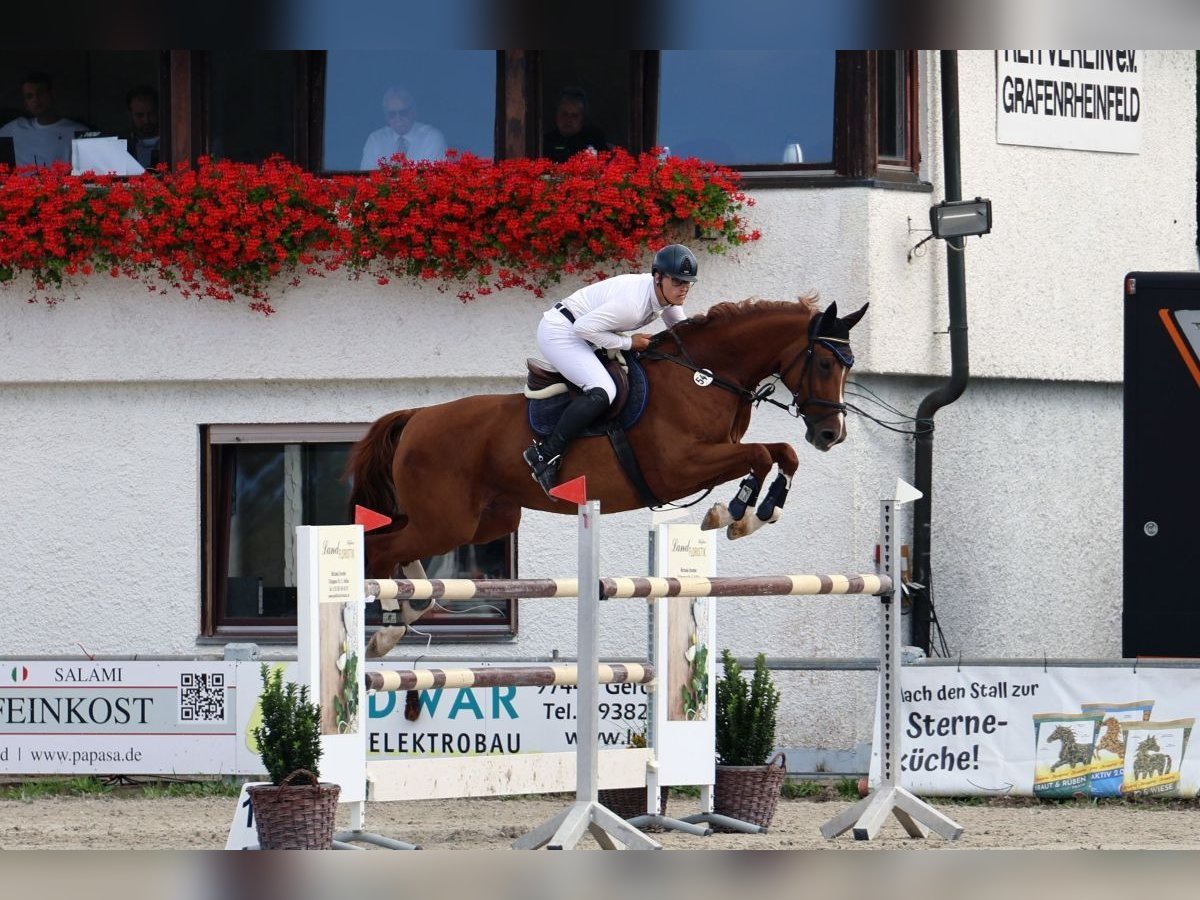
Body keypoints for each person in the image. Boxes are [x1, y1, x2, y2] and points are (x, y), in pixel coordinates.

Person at [523, 243, 699, 496]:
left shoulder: (666, 298)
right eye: (677, 281)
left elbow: (683, 332)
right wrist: (629, 342)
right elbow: (582, 328)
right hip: (561, 331)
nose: (683, 289)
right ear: (658, 277)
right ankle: (544, 454)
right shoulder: (633, 305)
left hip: (582, 331)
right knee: (604, 389)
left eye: (688, 283)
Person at [0, 72, 85, 168]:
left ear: (52, 94)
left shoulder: (77, 131)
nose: (36, 99)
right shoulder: (16, 127)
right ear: (25, 104)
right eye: (29, 96)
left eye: (40, 93)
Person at [359, 86, 447, 169]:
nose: (398, 119)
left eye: (403, 113)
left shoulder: (431, 138)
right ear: (386, 116)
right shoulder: (375, 141)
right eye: (392, 114)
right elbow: (366, 179)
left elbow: (433, 179)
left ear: (413, 111)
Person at [542, 86, 608, 163]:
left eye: (574, 115)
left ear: (582, 118)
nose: (568, 120)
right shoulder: (546, 141)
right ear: (556, 115)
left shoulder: (594, 140)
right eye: (564, 114)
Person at [125, 85, 161, 169]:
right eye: (140, 115)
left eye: (151, 114)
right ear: (130, 115)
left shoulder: (174, 142)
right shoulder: (122, 146)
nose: (146, 120)